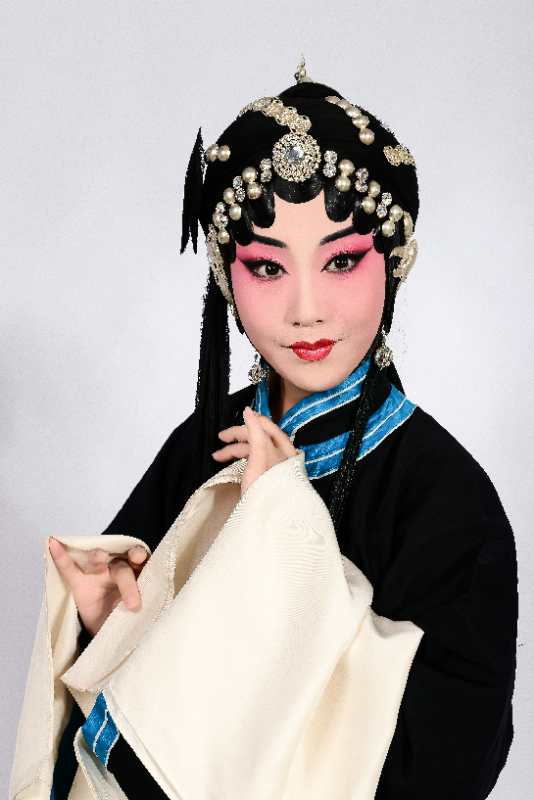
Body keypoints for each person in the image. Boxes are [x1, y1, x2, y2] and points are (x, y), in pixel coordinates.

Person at [10, 59, 518, 800]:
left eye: (342, 260)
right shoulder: (206, 443)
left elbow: (451, 761)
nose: (306, 309)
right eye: (268, 268)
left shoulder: (448, 499)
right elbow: (134, 726)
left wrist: (287, 535)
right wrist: (113, 623)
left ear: (392, 261)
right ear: (228, 277)